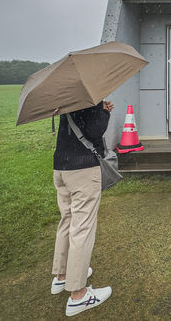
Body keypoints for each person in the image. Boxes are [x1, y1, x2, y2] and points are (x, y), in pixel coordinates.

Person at [51, 100, 114, 316]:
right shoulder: (90, 98)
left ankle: (61, 276)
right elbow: (95, 131)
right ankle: (78, 295)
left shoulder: (67, 98)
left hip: (60, 166)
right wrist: (104, 112)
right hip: (83, 168)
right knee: (82, 228)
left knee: (67, 221)